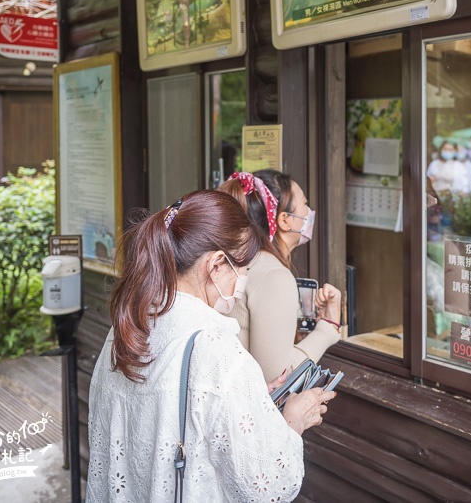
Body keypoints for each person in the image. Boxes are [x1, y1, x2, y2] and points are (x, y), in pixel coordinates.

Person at [87, 190, 334, 502]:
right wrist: (292, 422)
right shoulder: (217, 350)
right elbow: (269, 486)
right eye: (242, 272)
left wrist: (252, 401)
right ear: (217, 265)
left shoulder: (129, 325)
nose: (241, 287)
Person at [218, 170, 341, 382]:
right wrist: (327, 328)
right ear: (285, 220)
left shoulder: (240, 260)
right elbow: (276, 378)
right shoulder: (273, 275)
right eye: (305, 203)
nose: (310, 211)